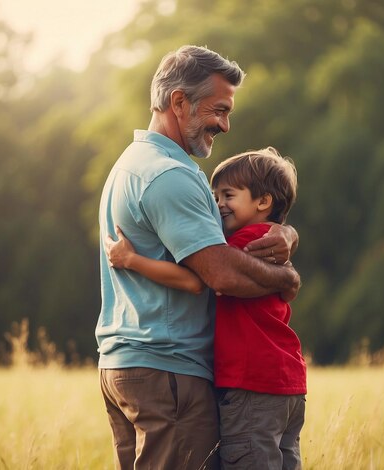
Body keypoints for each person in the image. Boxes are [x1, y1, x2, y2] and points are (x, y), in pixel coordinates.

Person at [97, 45, 301, 469]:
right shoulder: (170, 176)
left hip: (130, 365)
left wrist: (284, 231)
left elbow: (234, 237)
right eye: (219, 110)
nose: (226, 124)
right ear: (178, 102)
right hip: (168, 370)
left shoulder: (131, 165)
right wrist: (288, 280)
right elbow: (221, 274)